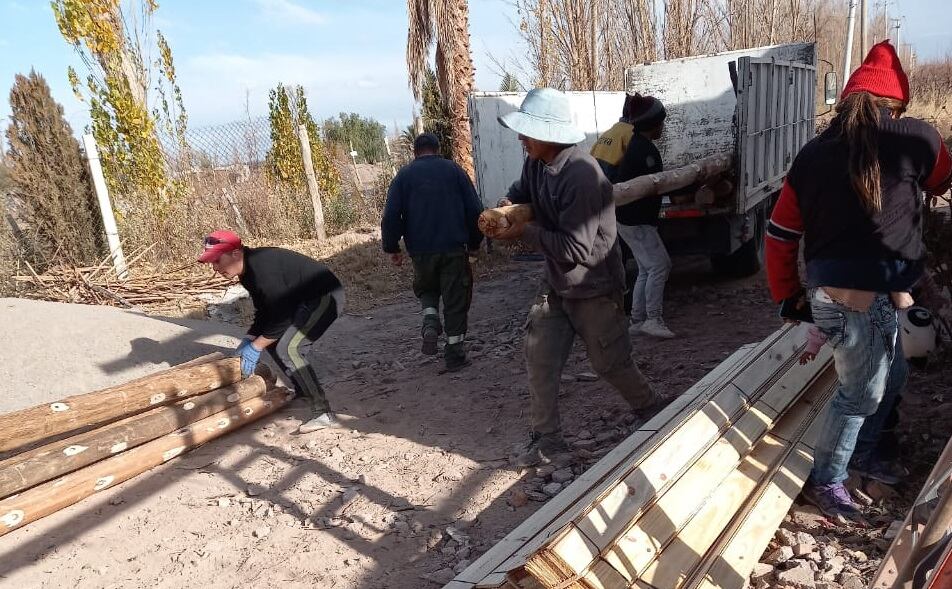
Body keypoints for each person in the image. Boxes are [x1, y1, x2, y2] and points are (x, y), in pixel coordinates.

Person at [765, 41, 952, 520]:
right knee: (860, 393)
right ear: (896, 103)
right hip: (855, 299)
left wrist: (789, 297)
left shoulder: (813, 153)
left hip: (846, 292)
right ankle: (825, 483)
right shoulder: (918, 138)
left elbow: (781, 234)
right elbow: (941, 180)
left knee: (894, 375)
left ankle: (865, 454)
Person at [495, 88, 659, 467]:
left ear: (551, 133)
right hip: (557, 281)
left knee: (610, 362)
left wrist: (522, 233)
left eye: (527, 131)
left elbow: (574, 250)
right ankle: (547, 440)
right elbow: (521, 195)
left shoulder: (583, 175)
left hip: (594, 285)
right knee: (540, 357)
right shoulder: (536, 163)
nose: (521, 138)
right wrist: (508, 209)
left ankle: (650, 409)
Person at [199, 230, 346, 434]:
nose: (215, 268)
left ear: (235, 253)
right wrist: (249, 340)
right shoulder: (247, 273)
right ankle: (303, 389)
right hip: (301, 302)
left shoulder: (262, 268)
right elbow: (266, 311)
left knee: (290, 348)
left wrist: (256, 346)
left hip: (324, 297)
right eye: (212, 263)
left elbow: (282, 316)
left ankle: (323, 413)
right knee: (273, 342)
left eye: (217, 260)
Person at [381, 133, 485, 371]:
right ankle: (455, 354)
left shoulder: (403, 176)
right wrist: (475, 242)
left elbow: (390, 216)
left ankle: (429, 320)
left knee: (427, 288)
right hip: (453, 249)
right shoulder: (455, 171)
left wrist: (392, 247)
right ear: (438, 149)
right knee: (455, 300)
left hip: (420, 251)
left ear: (415, 152)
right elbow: (474, 209)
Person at [614, 94, 674, 338]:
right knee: (660, 265)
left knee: (646, 268)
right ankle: (653, 319)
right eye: (661, 122)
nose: (662, 127)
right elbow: (658, 185)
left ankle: (637, 320)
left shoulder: (633, 144)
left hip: (626, 217)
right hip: (637, 219)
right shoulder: (644, 150)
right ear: (652, 124)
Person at [590, 95, 640, 317]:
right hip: (615, 201)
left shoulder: (609, 133)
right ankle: (625, 303)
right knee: (625, 255)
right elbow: (634, 168)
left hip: (595, 200)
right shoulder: (631, 136)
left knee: (611, 254)